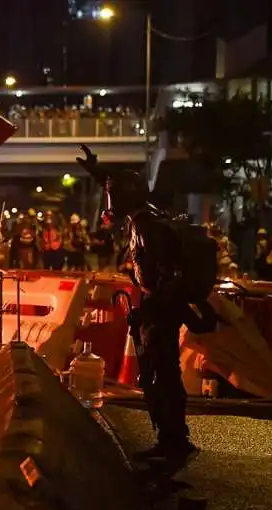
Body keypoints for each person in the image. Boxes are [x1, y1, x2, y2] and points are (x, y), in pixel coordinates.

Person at [76, 144, 217, 470]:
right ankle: (170, 441)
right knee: (160, 374)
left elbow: (169, 274)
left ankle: (174, 442)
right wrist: (100, 174)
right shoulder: (147, 215)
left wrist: (156, 308)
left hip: (161, 307)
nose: (110, 204)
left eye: (114, 196)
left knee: (163, 376)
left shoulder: (147, 227)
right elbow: (124, 189)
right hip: (159, 305)